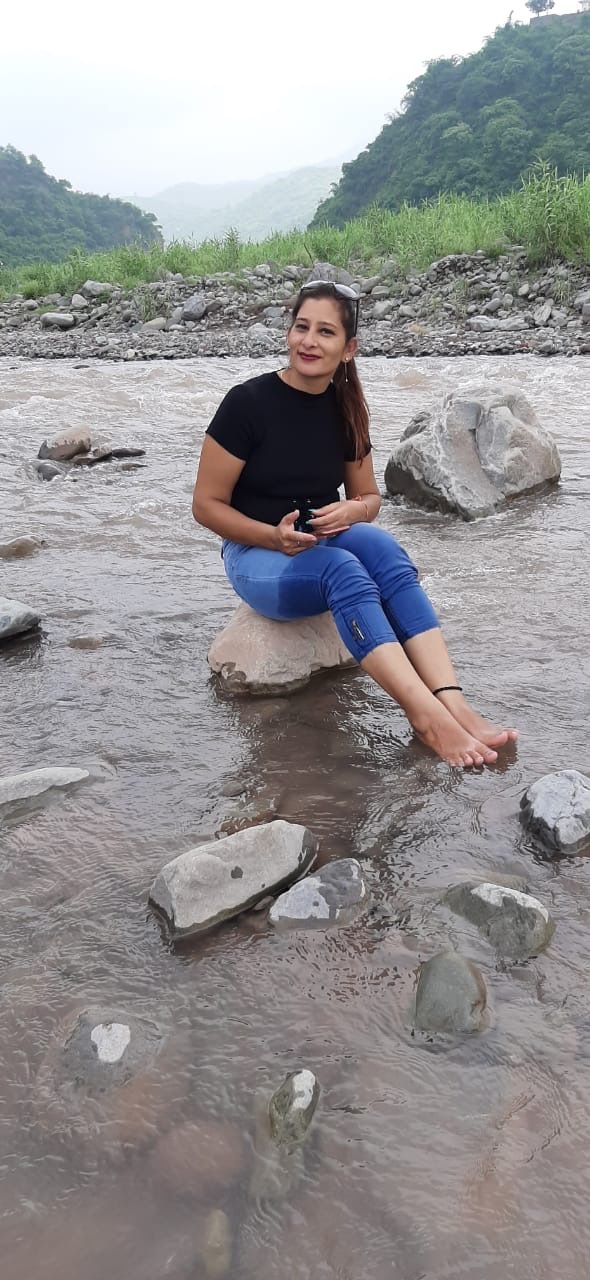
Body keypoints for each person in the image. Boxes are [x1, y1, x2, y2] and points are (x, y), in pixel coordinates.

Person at [193, 280, 518, 768]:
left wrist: (353, 511)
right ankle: (426, 718)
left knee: (384, 551)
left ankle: (452, 702)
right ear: (288, 333)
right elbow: (206, 505)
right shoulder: (247, 404)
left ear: (349, 349)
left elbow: (369, 498)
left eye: (325, 332)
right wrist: (272, 537)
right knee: (342, 570)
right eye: (301, 327)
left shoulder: (346, 408)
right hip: (256, 553)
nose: (309, 341)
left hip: (322, 540)